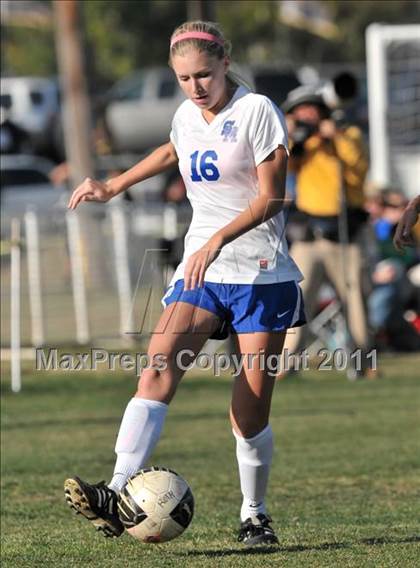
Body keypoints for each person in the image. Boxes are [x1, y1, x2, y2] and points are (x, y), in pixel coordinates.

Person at [63, 20, 305, 547]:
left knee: (249, 411)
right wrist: (112, 184)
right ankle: (117, 490)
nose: (196, 87)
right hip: (204, 270)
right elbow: (173, 150)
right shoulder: (186, 114)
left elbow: (273, 198)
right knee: (157, 367)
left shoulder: (256, 111)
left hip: (262, 274)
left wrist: (218, 238)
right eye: (184, 79)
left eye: (204, 76)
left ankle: (255, 514)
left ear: (224, 65)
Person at [281, 86, 371, 373]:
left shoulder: (347, 135)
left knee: (354, 298)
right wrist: (295, 136)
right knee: (298, 299)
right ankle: (286, 364)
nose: (305, 115)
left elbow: (358, 166)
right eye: (299, 111)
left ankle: (363, 362)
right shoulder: (303, 144)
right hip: (309, 236)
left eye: (310, 109)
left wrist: (336, 137)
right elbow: (285, 165)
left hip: (344, 234)